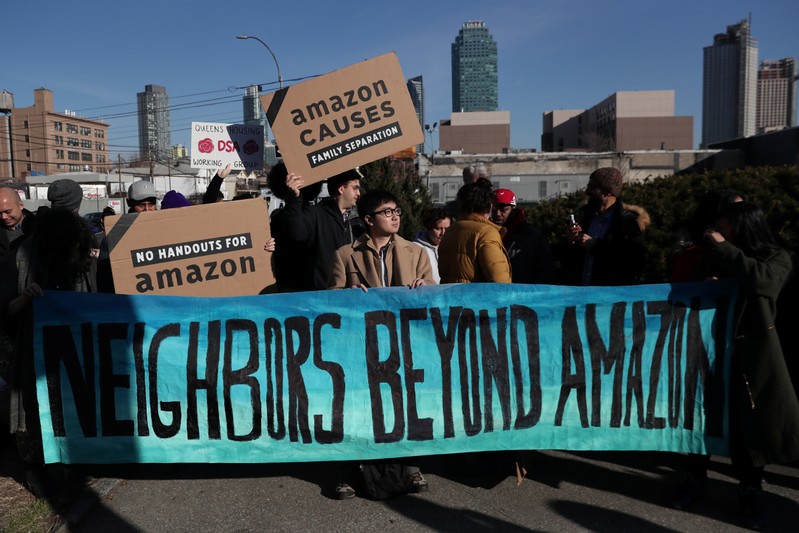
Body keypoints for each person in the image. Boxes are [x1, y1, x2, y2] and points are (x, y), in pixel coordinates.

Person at [670, 202, 799, 530]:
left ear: (743, 229)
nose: (719, 234)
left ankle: (751, 491)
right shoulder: (718, 256)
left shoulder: (777, 258)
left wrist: (725, 250)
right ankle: (695, 480)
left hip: (750, 361)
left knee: (747, 431)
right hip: (709, 353)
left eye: (725, 229)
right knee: (702, 420)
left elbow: (764, 282)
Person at [327, 189, 432, 499]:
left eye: (396, 210)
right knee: (358, 406)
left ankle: (410, 467)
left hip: (404, 344)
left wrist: (427, 287)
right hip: (361, 346)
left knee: (407, 404)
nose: (396, 215)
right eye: (388, 212)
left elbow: (436, 296)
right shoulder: (345, 254)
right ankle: (350, 469)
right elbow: (329, 301)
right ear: (369, 220)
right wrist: (345, 294)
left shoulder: (416, 253)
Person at [563, 167, 650, 286]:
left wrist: (594, 245)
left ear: (608, 192)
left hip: (609, 299)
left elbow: (631, 262)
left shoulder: (630, 223)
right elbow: (567, 261)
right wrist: (570, 240)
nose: (587, 191)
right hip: (580, 296)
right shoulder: (582, 217)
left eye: (593, 186)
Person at [281, 168, 364, 291]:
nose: (358, 193)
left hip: (352, 294)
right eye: (355, 188)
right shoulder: (315, 214)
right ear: (341, 189)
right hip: (323, 296)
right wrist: (294, 198)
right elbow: (296, 233)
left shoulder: (357, 220)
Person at [438, 178, 511, 284]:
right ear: (490, 207)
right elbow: (500, 281)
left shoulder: (450, 231)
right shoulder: (486, 233)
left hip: (451, 298)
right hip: (479, 299)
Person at [671, 189, 743, 282]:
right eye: (736, 212)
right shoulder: (692, 254)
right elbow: (680, 290)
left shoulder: (750, 249)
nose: (743, 217)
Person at [492, 188, 554, 284]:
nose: (498, 214)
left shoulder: (531, 235)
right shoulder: (486, 232)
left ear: (513, 209)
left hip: (525, 293)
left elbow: (545, 267)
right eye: (494, 209)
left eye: (503, 209)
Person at [413, 207, 451, 284]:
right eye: (438, 228)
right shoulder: (416, 248)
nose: (443, 233)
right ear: (429, 227)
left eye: (446, 229)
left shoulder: (452, 247)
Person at [0, 186, 36, 254]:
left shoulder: (39, 227)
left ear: (20, 205)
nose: (4, 217)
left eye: (8, 212)